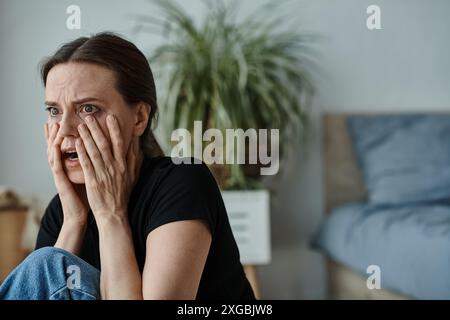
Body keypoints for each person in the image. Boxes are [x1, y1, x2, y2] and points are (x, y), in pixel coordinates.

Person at [0, 32, 255, 300]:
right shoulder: (61, 211)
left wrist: (111, 215)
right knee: (48, 262)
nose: (64, 129)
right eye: (54, 111)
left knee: (47, 263)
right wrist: (74, 221)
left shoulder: (183, 181)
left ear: (139, 118)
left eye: (87, 109)